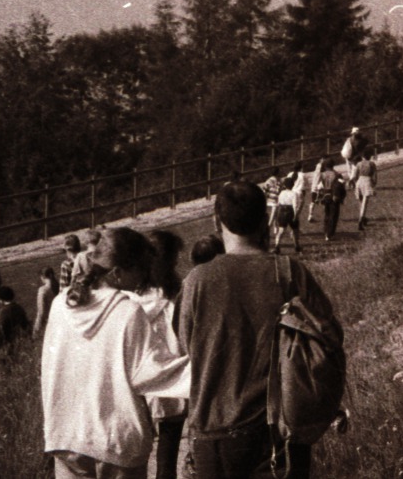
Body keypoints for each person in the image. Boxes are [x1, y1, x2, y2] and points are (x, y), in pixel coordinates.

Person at [178, 182, 341, 479]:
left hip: (213, 427)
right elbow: (330, 337)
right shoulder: (289, 272)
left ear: (217, 221)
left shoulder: (196, 281)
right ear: (266, 219)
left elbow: (186, 345)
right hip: (279, 428)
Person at [41, 227, 190, 479]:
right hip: (115, 437)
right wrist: (207, 369)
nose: (145, 276)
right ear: (118, 273)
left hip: (66, 434)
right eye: (141, 268)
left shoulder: (60, 305)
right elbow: (152, 375)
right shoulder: (128, 312)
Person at [141, 230, 188, 479]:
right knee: (166, 458)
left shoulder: (131, 299)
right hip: (173, 380)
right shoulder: (177, 297)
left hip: (141, 383)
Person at [0, 284, 31, 353]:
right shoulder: (19, 308)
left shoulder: (3, 312)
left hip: (8, 345)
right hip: (20, 343)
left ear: (1, 300)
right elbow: (25, 324)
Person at [316, 162, 345, 242]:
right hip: (334, 196)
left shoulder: (322, 175)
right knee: (334, 215)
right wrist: (342, 197)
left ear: (325, 167)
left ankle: (326, 231)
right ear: (333, 166)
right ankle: (330, 233)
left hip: (325, 196)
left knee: (326, 214)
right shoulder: (337, 175)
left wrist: (319, 197)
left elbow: (319, 187)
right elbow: (341, 186)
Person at [272, 178, 301, 254]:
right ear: (293, 185)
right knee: (295, 230)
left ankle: (277, 246)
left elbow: (278, 203)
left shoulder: (281, 193)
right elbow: (295, 205)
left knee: (281, 230)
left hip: (282, 211)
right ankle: (296, 246)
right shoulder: (294, 194)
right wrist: (295, 215)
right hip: (290, 211)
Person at [351, 150, 377, 231]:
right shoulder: (372, 164)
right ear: (370, 157)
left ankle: (362, 217)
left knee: (361, 202)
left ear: (362, 157)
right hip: (368, 180)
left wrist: (355, 184)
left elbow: (354, 176)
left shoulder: (359, 164)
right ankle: (361, 219)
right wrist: (373, 184)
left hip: (359, 181)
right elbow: (375, 176)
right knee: (365, 202)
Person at [35, 265, 60, 339]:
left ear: (42, 277)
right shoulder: (59, 286)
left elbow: (41, 312)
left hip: (50, 322)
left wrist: (36, 329)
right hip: (60, 319)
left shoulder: (43, 290)